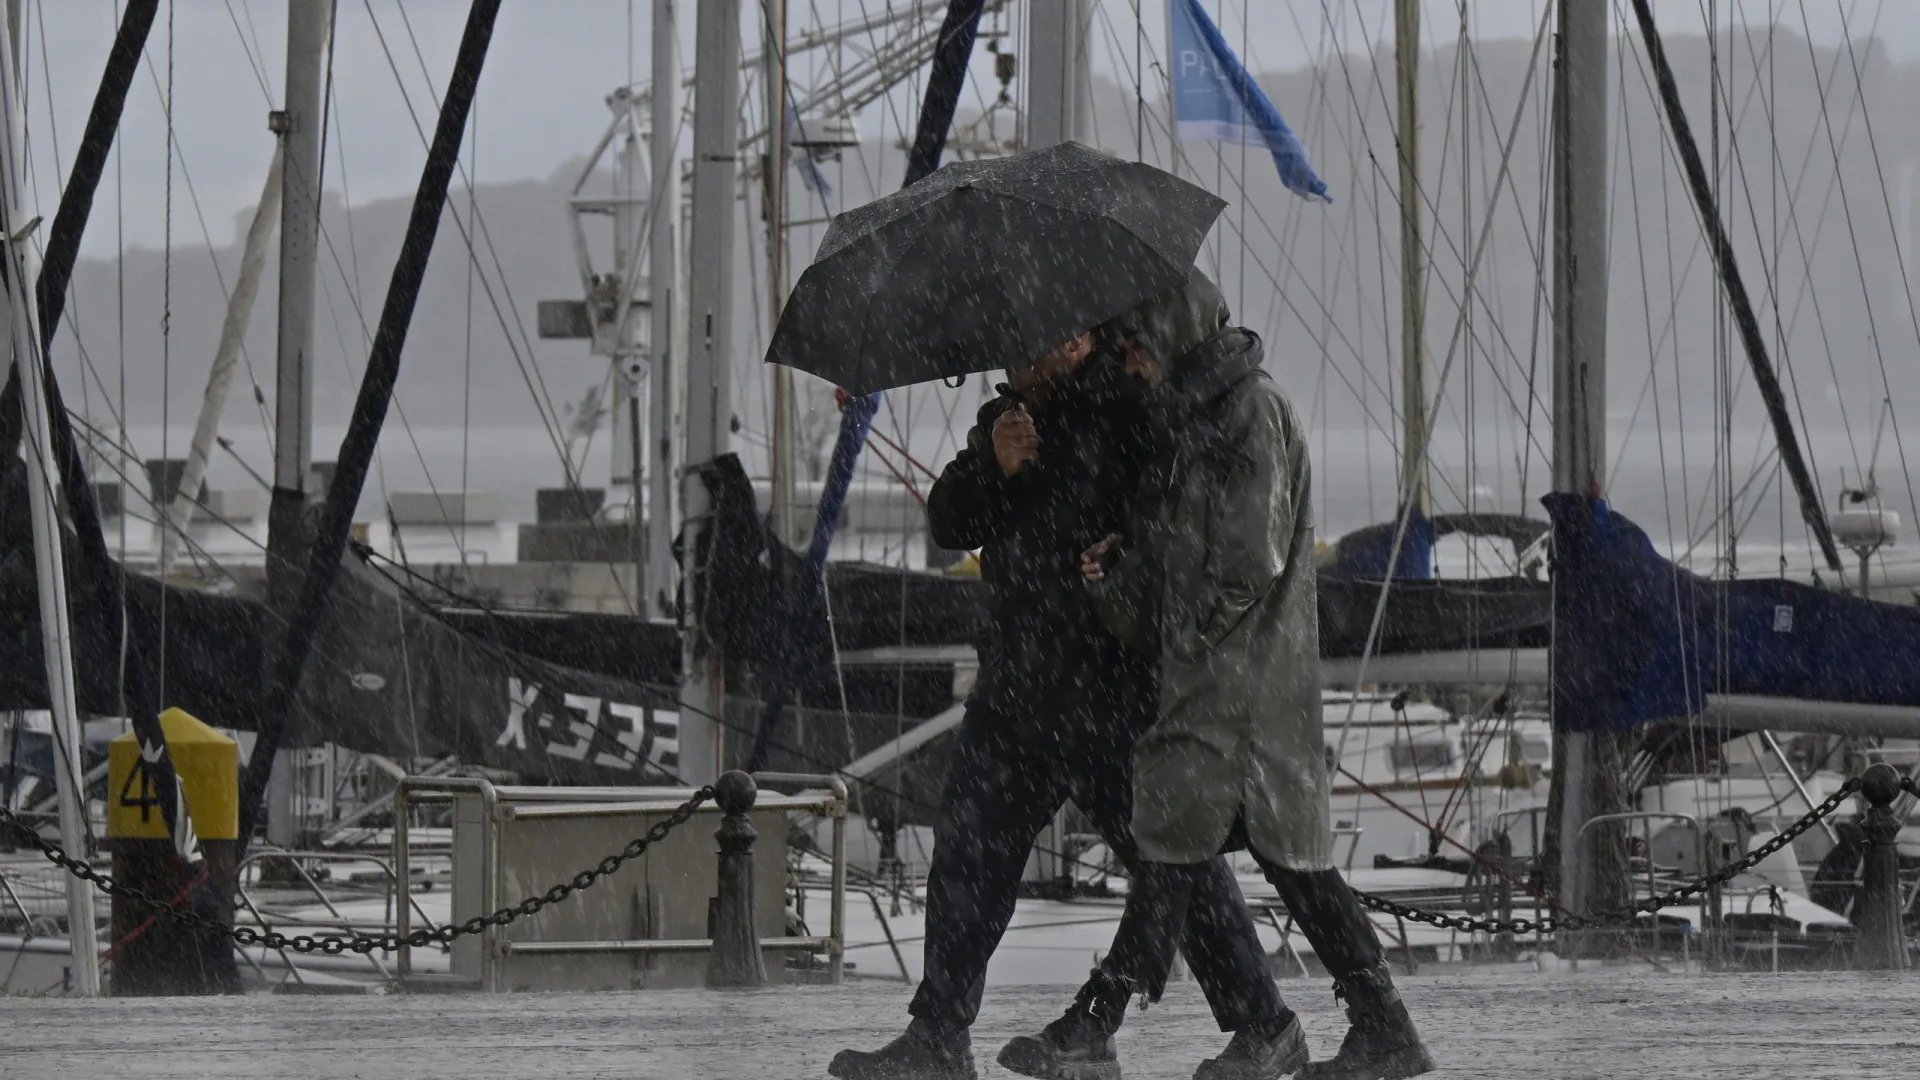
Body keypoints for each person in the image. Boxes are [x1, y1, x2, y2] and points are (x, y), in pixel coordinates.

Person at [829, 331, 1307, 1080]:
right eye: (1010, 347)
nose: (1015, 357)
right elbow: (951, 517)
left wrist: (1128, 545)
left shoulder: (1126, 407)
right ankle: (939, 1033)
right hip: (1018, 684)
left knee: (1171, 860)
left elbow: (1181, 505)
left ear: (1078, 342)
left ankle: (1263, 1021)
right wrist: (997, 466)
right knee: (969, 852)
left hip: (1110, 685)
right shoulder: (1006, 420)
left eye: (1033, 344)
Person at [1078, 268, 1435, 1080]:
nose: (1129, 365)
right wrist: (1118, 578)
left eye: (1135, 347)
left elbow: (1249, 559)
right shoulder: (1187, 427)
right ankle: (1376, 1022)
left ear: (1168, 336)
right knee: (1265, 859)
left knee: (1196, 849)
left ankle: (1098, 1018)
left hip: (1246, 692)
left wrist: (1186, 633)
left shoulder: (1252, 413)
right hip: (1215, 687)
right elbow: (1184, 568)